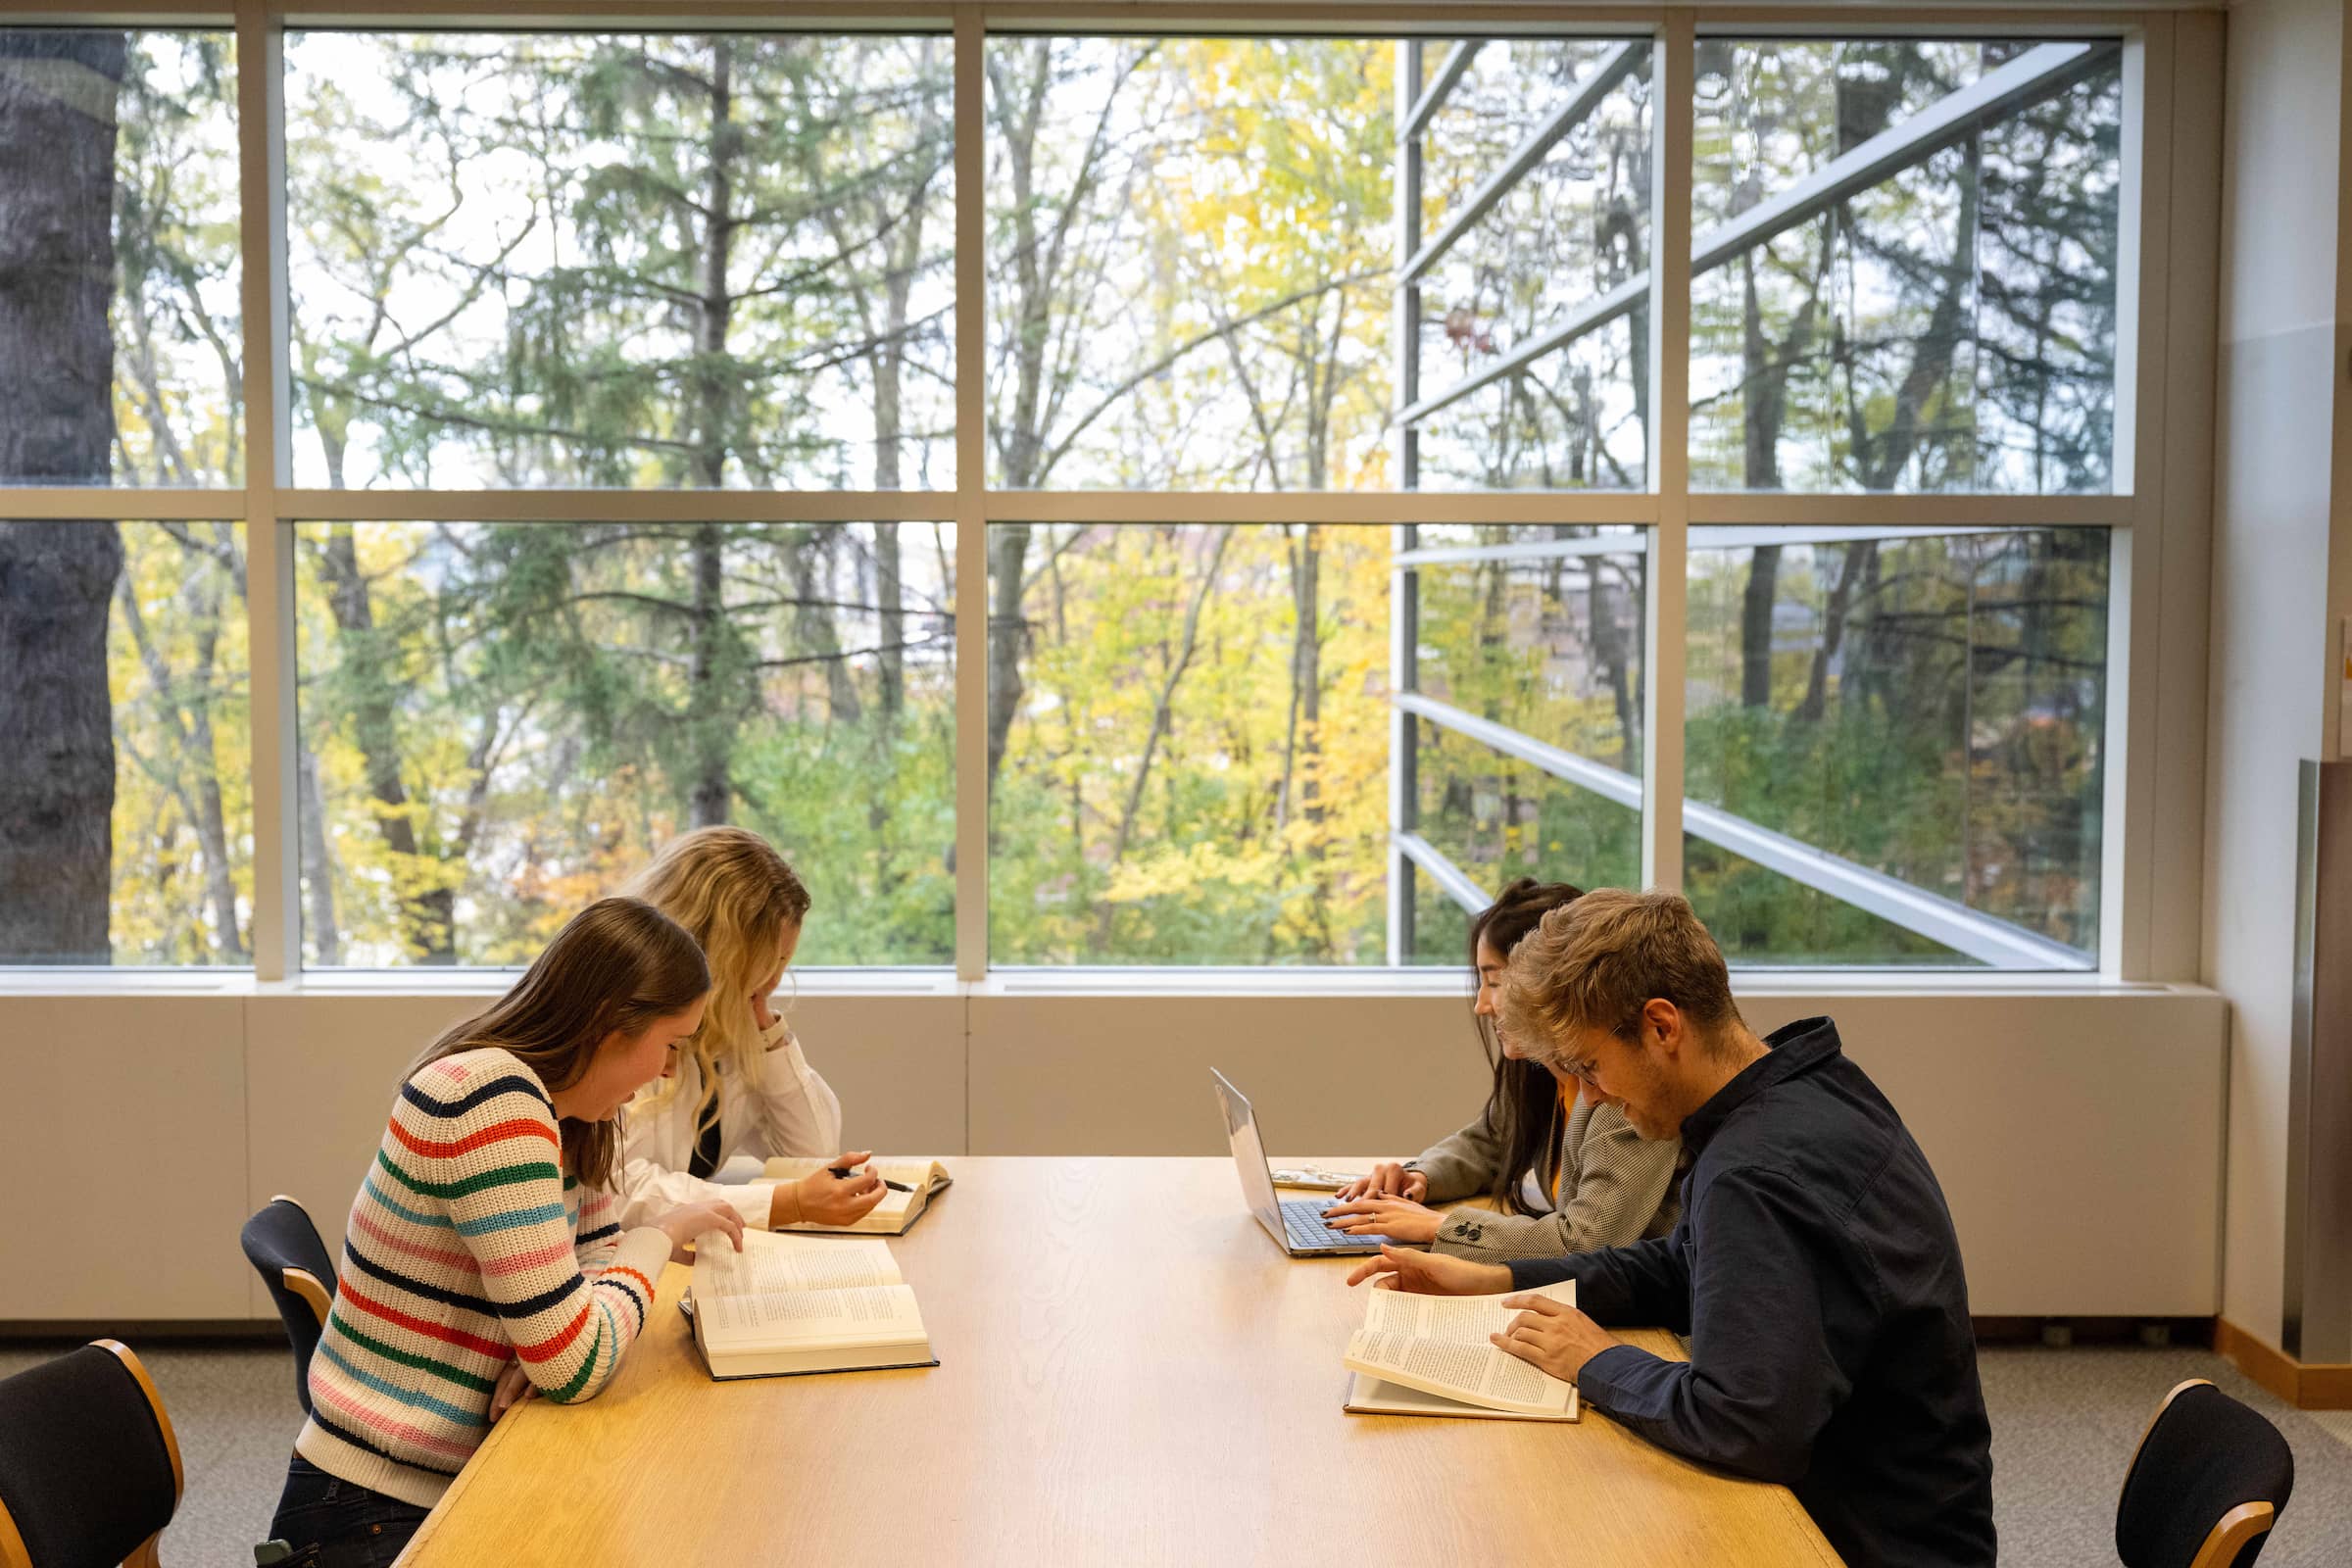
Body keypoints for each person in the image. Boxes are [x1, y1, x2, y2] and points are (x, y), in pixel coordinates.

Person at [1348, 889, 1993, 1568]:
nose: (1590, 1096)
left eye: (1591, 1066)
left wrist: (1595, 1359)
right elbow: (1683, 1266)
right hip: (1898, 1515)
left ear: (1661, 1028)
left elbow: (1744, 1424)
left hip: (1861, 1543)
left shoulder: (1755, 1170)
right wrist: (1498, 1276)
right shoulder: (1805, 1088)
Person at [269, 898, 750, 1564]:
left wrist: (555, 1338)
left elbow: (586, 1281)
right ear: (613, 1028)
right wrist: (659, 1237)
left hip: (442, 1482)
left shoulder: (559, 1112)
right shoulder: (492, 1100)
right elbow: (578, 1361)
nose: (670, 1070)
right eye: (671, 1045)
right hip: (371, 1513)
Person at [1321, 878, 1681, 1262]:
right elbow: (1492, 1139)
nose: (1482, 1004)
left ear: (1547, 984)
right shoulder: (1546, 1073)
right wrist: (1419, 1179)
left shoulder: (1620, 1088)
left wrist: (1440, 1227)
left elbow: (1583, 1242)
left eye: (1495, 981)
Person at [617, 826, 886, 1234]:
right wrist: (783, 1203)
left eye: (783, 963)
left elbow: (812, 1153)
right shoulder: (629, 1025)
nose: (773, 983)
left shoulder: (730, 1031)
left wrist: (771, 1040)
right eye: (765, 963)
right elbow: (619, 1192)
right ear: (715, 954)